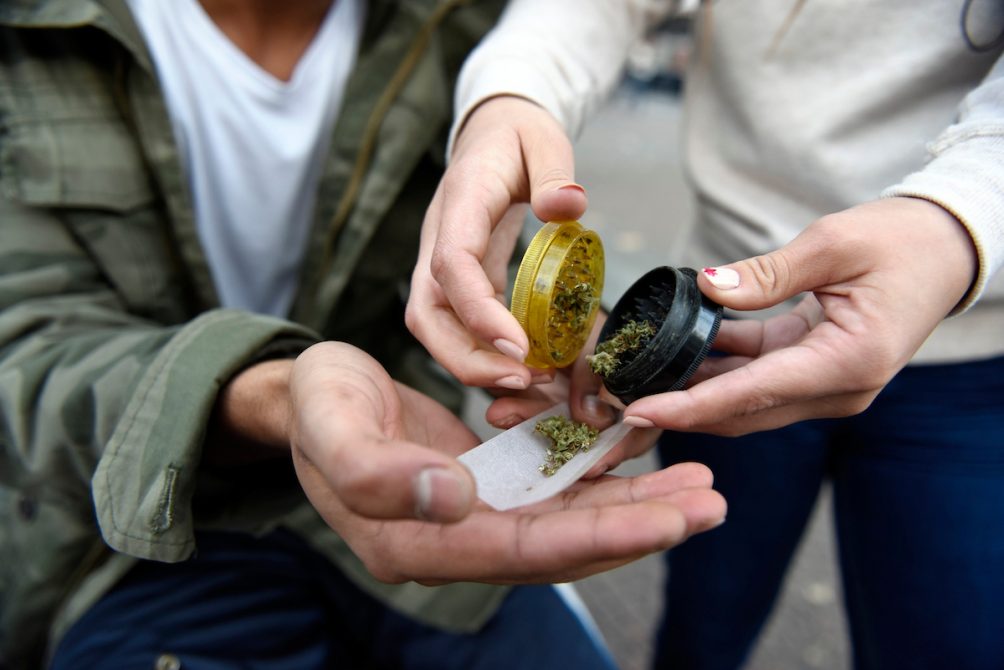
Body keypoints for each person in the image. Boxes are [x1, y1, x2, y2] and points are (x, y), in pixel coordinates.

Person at [0, 1, 728, 668]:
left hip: (418, 483)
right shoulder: (31, 38)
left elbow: (451, 245)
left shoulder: (452, 25)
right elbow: (22, 349)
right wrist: (278, 399)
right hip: (136, 532)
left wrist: (538, 320)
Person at [406, 0, 1004, 668]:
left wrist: (959, 220)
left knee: (950, 641)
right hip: (727, 337)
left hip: (971, 349)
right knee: (707, 610)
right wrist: (509, 98)